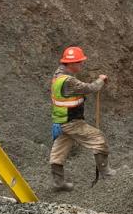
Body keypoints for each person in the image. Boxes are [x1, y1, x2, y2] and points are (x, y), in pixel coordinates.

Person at [48, 45, 114, 192]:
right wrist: (101, 80)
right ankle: (106, 174)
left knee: (59, 151)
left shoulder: (58, 75)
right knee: (98, 138)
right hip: (71, 121)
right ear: (71, 63)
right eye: (79, 62)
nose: (81, 64)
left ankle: (58, 183)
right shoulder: (68, 81)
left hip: (60, 121)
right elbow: (89, 88)